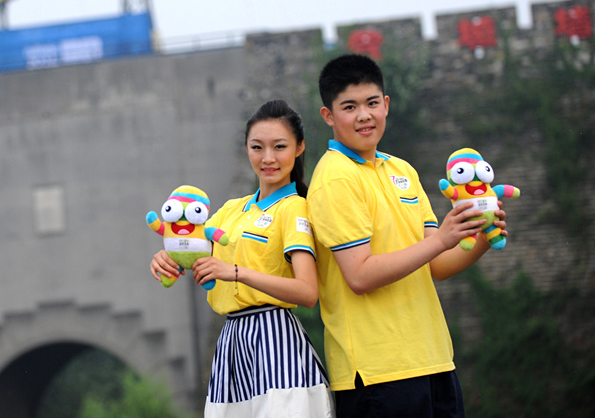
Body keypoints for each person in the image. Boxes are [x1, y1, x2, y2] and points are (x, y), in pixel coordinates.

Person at [307, 53, 509, 417]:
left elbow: (438, 265)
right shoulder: (335, 178)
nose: (364, 115)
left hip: (434, 359)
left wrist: (480, 236)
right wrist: (441, 239)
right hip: (378, 372)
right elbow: (359, 275)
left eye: (372, 103)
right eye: (349, 107)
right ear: (329, 116)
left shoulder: (401, 170)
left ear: (386, 105)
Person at [151, 99, 334, 417]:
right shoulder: (230, 211)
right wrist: (166, 259)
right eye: (257, 147)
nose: (268, 158)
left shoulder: (294, 208)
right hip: (233, 346)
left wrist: (236, 272)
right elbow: (189, 253)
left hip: (275, 341)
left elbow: (308, 292)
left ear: (299, 147)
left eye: (279, 147)